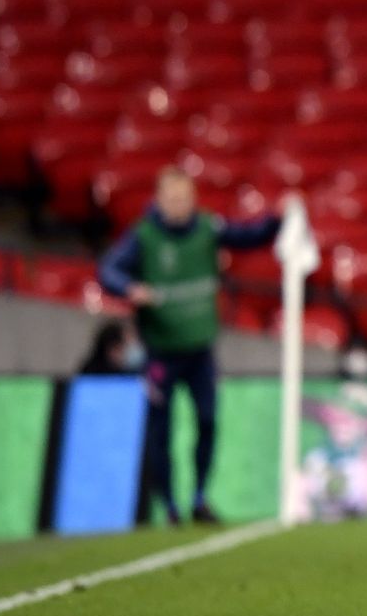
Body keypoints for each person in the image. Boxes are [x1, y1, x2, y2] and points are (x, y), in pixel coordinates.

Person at [98, 166, 282, 525]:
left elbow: (250, 236)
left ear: (193, 199)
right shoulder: (144, 236)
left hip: (200, 351)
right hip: (161, 353)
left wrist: (278, 218)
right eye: (172, 198)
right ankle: (169, 505)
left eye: (184, 198)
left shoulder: (207, 229)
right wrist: (129, 288)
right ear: (159, 200)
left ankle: (200, 497)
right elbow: (108, 271)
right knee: (161, 431)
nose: (178, 205)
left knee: (208, 421)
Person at [78, 319, 144, 375]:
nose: (131, 351)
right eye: (127, 346)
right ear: (112, 349)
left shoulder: (134, 373)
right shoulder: (90, 375)